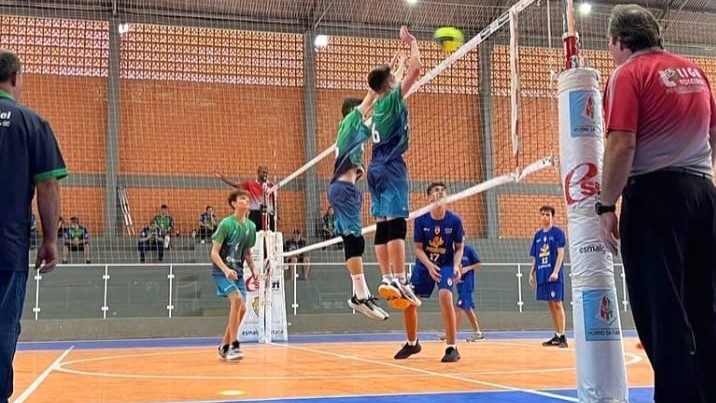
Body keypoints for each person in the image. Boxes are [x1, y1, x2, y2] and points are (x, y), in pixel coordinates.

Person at [598, 5, 716, 401]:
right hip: (703, 194)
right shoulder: (695, 71)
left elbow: (621, 144)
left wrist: (605, 205)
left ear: (619, 41)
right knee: (705, 304)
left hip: (656, 198)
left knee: (661, 309)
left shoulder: (628, 74)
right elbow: (713, 137)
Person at [0, 50, 67, 403]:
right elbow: (48, 186)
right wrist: (51, 239)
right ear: (15, 78)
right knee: (3, 328)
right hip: (7, 249)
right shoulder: (32, 123)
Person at [366, 26, 423, 309]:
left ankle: (387, 277)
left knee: (383, 225)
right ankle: (401, 279)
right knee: (398, 224)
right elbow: (416, 71)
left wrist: (394, 68)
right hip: (391, 166)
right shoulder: (389, 99)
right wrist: (413, 44)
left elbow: (397, 79)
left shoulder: (378, 105)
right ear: (388, 84)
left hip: (375, 167)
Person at [327, 92, 389, 321]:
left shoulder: (355, 132)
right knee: (355, 241)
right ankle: (360, 296)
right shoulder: (351, 120)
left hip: (346, 189)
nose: (369, 112)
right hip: (343, 189)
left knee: (354, 240)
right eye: (366, 110)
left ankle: (358, 294)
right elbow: (372, 97)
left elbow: (377, 110)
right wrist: (386, 79)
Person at [394, 182, 464, 362]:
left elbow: (459, 247)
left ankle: (451, 347)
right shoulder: (421, 218)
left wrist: (456, 266)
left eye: (442, 190)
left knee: (445, 295)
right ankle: (412, 343)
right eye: (435, 191)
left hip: (447, 264)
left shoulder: (455, 220)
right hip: (424, 264)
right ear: (429, 197)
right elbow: (417, 248)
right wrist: (429, 266)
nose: (440, 193)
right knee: (408, 301)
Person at [211, 189, 259, 362]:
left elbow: (247, 252)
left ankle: (224, 347)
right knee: (237, 300)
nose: (247, 201)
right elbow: (214, 253)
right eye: (242, 198)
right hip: (222, 272)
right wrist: (225, 270)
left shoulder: (251, 227)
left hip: (238, 272)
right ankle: (234, 345)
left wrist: (254, 270)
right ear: (234, 204)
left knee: (243, 308)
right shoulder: (226, 224)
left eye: (247, 198)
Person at [528, 206, 567, 348]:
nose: (545, 217)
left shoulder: (557, 233)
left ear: (552, 217)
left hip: (553, 275)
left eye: (547, 214)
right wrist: (531, 273)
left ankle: (562, 336)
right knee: (550, 304)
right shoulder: (537, 236)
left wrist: (556, 271)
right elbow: (535, 257)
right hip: (542, 274)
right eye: (543, 214)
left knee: (557, 303)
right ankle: (557, 335)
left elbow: (561, 253)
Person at [438, 244, 485, 342]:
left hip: (467, 285)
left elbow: (479, 264)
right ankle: (478, 333)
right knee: (468, 309)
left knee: (459, 308)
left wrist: (467, 268)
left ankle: (450, 333)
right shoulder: (451, 251)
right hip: (459, 285)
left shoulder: (469, 250)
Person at [215, 165, 277, 231]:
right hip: (255, 214)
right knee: (254, 235)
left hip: (268, 215)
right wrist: (222, 177)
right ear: (258, 173)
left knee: (269, 236)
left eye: (266, 173)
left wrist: (276, 215)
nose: (265, 174)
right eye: (263, 172)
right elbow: (236, 185)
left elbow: (275, 201)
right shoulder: (250, 184)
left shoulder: (271, 186)